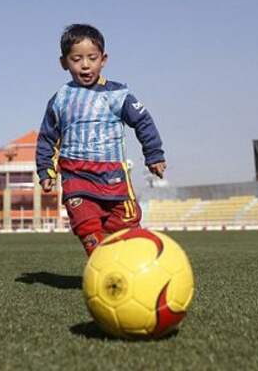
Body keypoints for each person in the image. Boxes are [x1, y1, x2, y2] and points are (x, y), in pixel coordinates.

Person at [36, 24, 166, 256]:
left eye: (92, 58)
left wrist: (154, 154)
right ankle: (99, 259)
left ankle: (126, 264)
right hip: (76, 175)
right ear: (64, 62)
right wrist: (45, 170)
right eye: (77, 59)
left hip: (113, 176)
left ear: (103, 60)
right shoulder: (60, 99)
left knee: (127, 225)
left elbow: (143, 121)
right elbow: (47, 137)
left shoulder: (118, 95)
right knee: (87, 227)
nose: (85, 65)